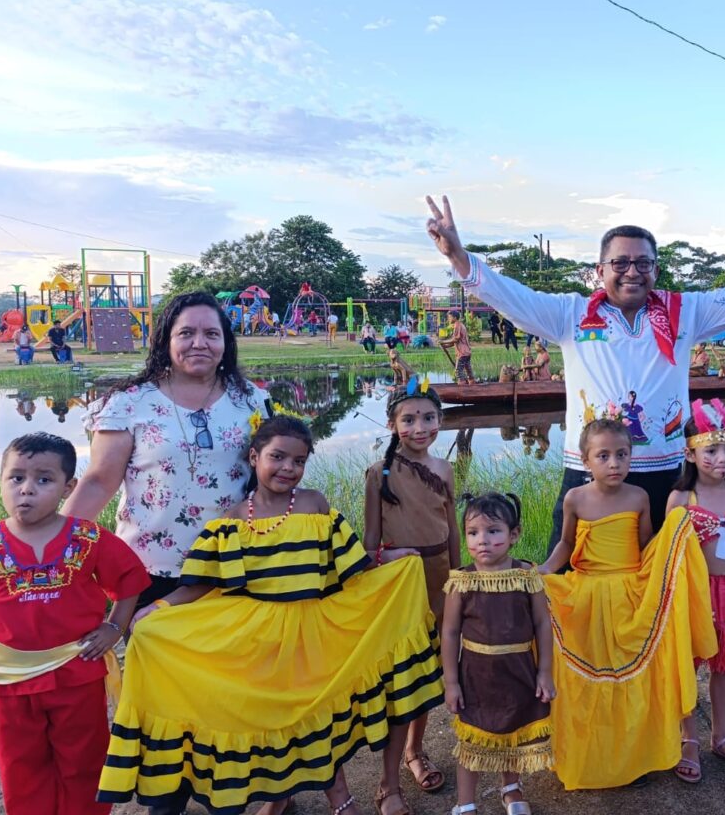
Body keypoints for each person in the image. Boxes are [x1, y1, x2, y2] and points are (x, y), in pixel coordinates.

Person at [425, 194, 725, 548]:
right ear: (600, 271)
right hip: (589, 469)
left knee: (661, 573)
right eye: (620, 263)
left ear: (655, 269)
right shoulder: (569, 314)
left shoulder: (685, 311)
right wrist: (459, 257)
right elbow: (509, 295)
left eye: (643, 263)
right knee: (578, 567)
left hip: (665, 469)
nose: (633, 271)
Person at [97, 416, 444, 815]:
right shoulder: (232, 518)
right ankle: (300, 800)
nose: (287, 468)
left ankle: (339, 801)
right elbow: (202, 583)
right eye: (277, 457)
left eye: (298, 461)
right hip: (258, 638)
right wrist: (158, 608)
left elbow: (345, 561)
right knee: (280, 723)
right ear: (254, 456)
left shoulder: (314, 503)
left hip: (311, 630)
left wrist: (386, 558)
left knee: (313, 718)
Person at [0, 433, 149, 815]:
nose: (26, 489)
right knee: (20, 765)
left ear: (67, 487)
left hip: (77, 671)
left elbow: (129, 581)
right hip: (9, 680)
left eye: (43, 479)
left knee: (84, 762)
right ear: (1, 480)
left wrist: (114, 628)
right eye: (16, 477)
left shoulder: (87, 539)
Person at [64, 291, 270, 625]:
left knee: (224, 671)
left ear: (225, 342)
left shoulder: (251, 401)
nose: (199, 343)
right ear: (166, 341)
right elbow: (99, 481)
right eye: (186, 333)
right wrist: (54, 546)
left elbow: (269, 480)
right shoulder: (129, 403)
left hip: (231, 563)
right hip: (146, 567)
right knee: (151, 666)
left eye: (211, 334)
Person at [537, 419, 716, 789]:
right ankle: (593, 752)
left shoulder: (638, 497)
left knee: (629, 673)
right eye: (603, 456)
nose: (614, 463)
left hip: (629, 593)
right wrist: (544, 571)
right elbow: (567, 545)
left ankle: (634, 753)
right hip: (587, 594)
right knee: (592, 674)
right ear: (586, 461)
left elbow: (648, 546)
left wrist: (676, 543)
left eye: (622, 454)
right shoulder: (576, 499)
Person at [364, 382, 459, 797]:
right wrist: (392, 556)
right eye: (409, 419)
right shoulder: (378, 473)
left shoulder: (444, 469)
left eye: (428, 418)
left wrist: (460, 578)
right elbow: (369, 546)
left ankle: (415, 750)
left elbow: (453, 528)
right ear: (392, 424)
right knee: (404, 673)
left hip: (440, 577)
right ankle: (392, 769)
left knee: (431, 669)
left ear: (441, 421)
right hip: (401, 584)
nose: (420, 427)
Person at [667, 401, 725, 782]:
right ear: (690, 453)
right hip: (695, 596)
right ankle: (688, 738)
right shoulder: (680, 501)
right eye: (711, 450)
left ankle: (721, 736)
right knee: (689, 667)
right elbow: (670, 558)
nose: (721, 458)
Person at [442, 493, 555, 815]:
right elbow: (449, 633)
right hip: (477, 675)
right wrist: (451, 683)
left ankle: (511, 787)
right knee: (473, 741)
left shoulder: (526, 577)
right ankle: (466, 803)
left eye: (493, 531)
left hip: (519, 670)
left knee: (513, 733)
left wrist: (544, 671)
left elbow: (541, 624)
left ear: (514, 534)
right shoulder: (462, 582)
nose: (483, 541)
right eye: (473, 532)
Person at [441, 310, 476, 384]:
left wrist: (443, 342)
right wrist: (445, 345)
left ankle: (462, 389)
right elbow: (456, 342)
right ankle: (472, 385)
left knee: (458, 372)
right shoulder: (461, 325)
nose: (448, 319)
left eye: (450, 317)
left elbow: (455, 339)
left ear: (455, 317)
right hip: (467, 352)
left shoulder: (457, 325)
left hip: (462, 353)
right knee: (468, 370)